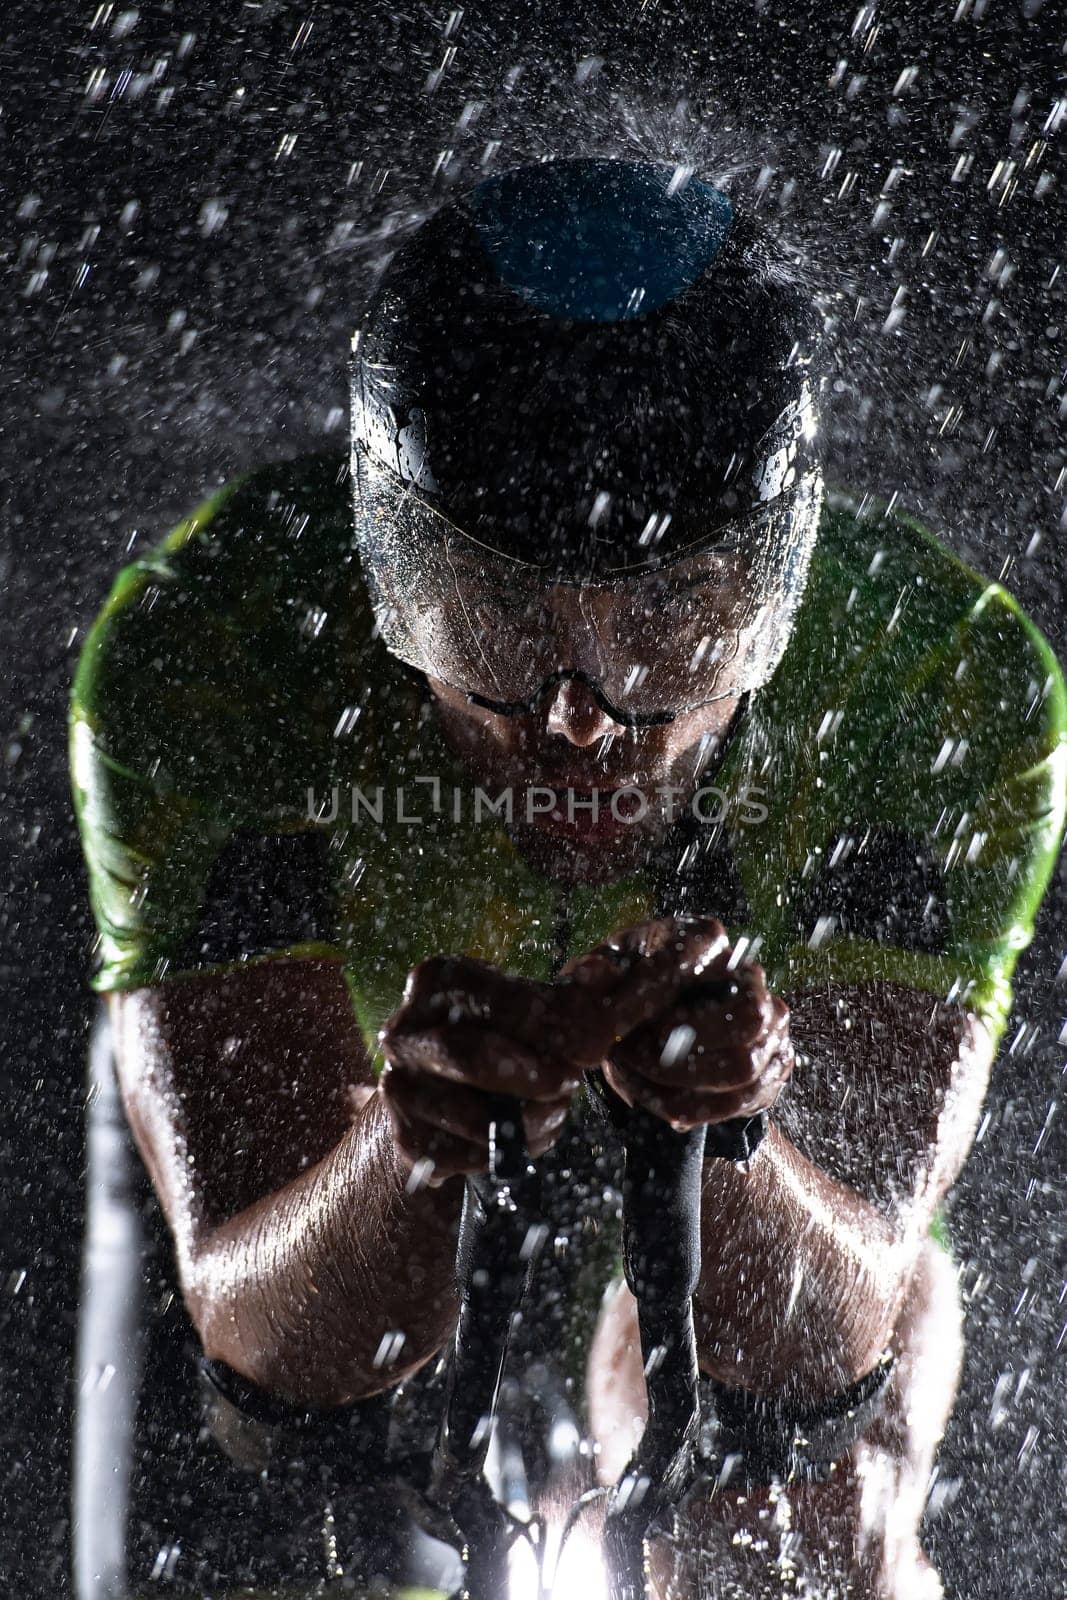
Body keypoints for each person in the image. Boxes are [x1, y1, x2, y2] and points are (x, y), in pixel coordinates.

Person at [69, 158, 1065, 1599]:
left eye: (668, 622)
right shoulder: (210, 648)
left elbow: (821, 1337)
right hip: (317, 1163)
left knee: (812, 1520)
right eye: (490, 611)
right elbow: (270, 1346)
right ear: (382, 560)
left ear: (773, 598)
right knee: (264, 1482)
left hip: (742, 1212)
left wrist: (732, 1131)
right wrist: (410, 1146)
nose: (577, 721)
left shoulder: (941, 687)